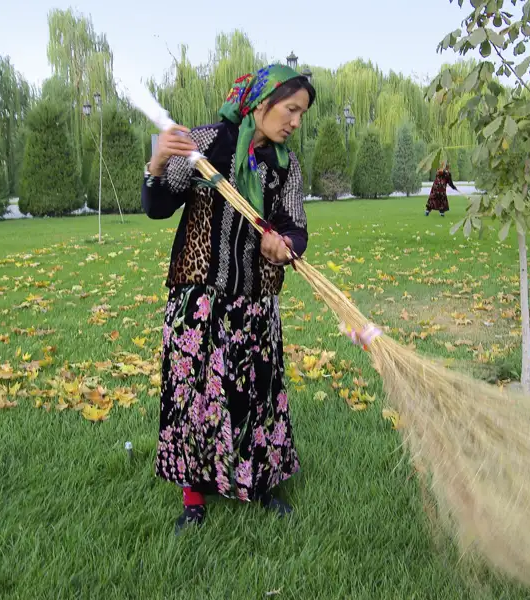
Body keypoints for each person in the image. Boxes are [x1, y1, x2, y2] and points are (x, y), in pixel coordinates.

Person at [141, 64, 316, 534]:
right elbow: (157, 207)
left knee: (258, 393)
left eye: (301, 114)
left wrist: (284, 246)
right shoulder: (206, 144)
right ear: (261, 102)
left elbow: (295, 225)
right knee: (193, 395)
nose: (295, 122)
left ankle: (258, 483)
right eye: (291, 110)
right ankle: (193, 496)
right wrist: (157, 163)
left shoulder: (285, 166)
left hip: (255, 298)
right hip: (199, 295)